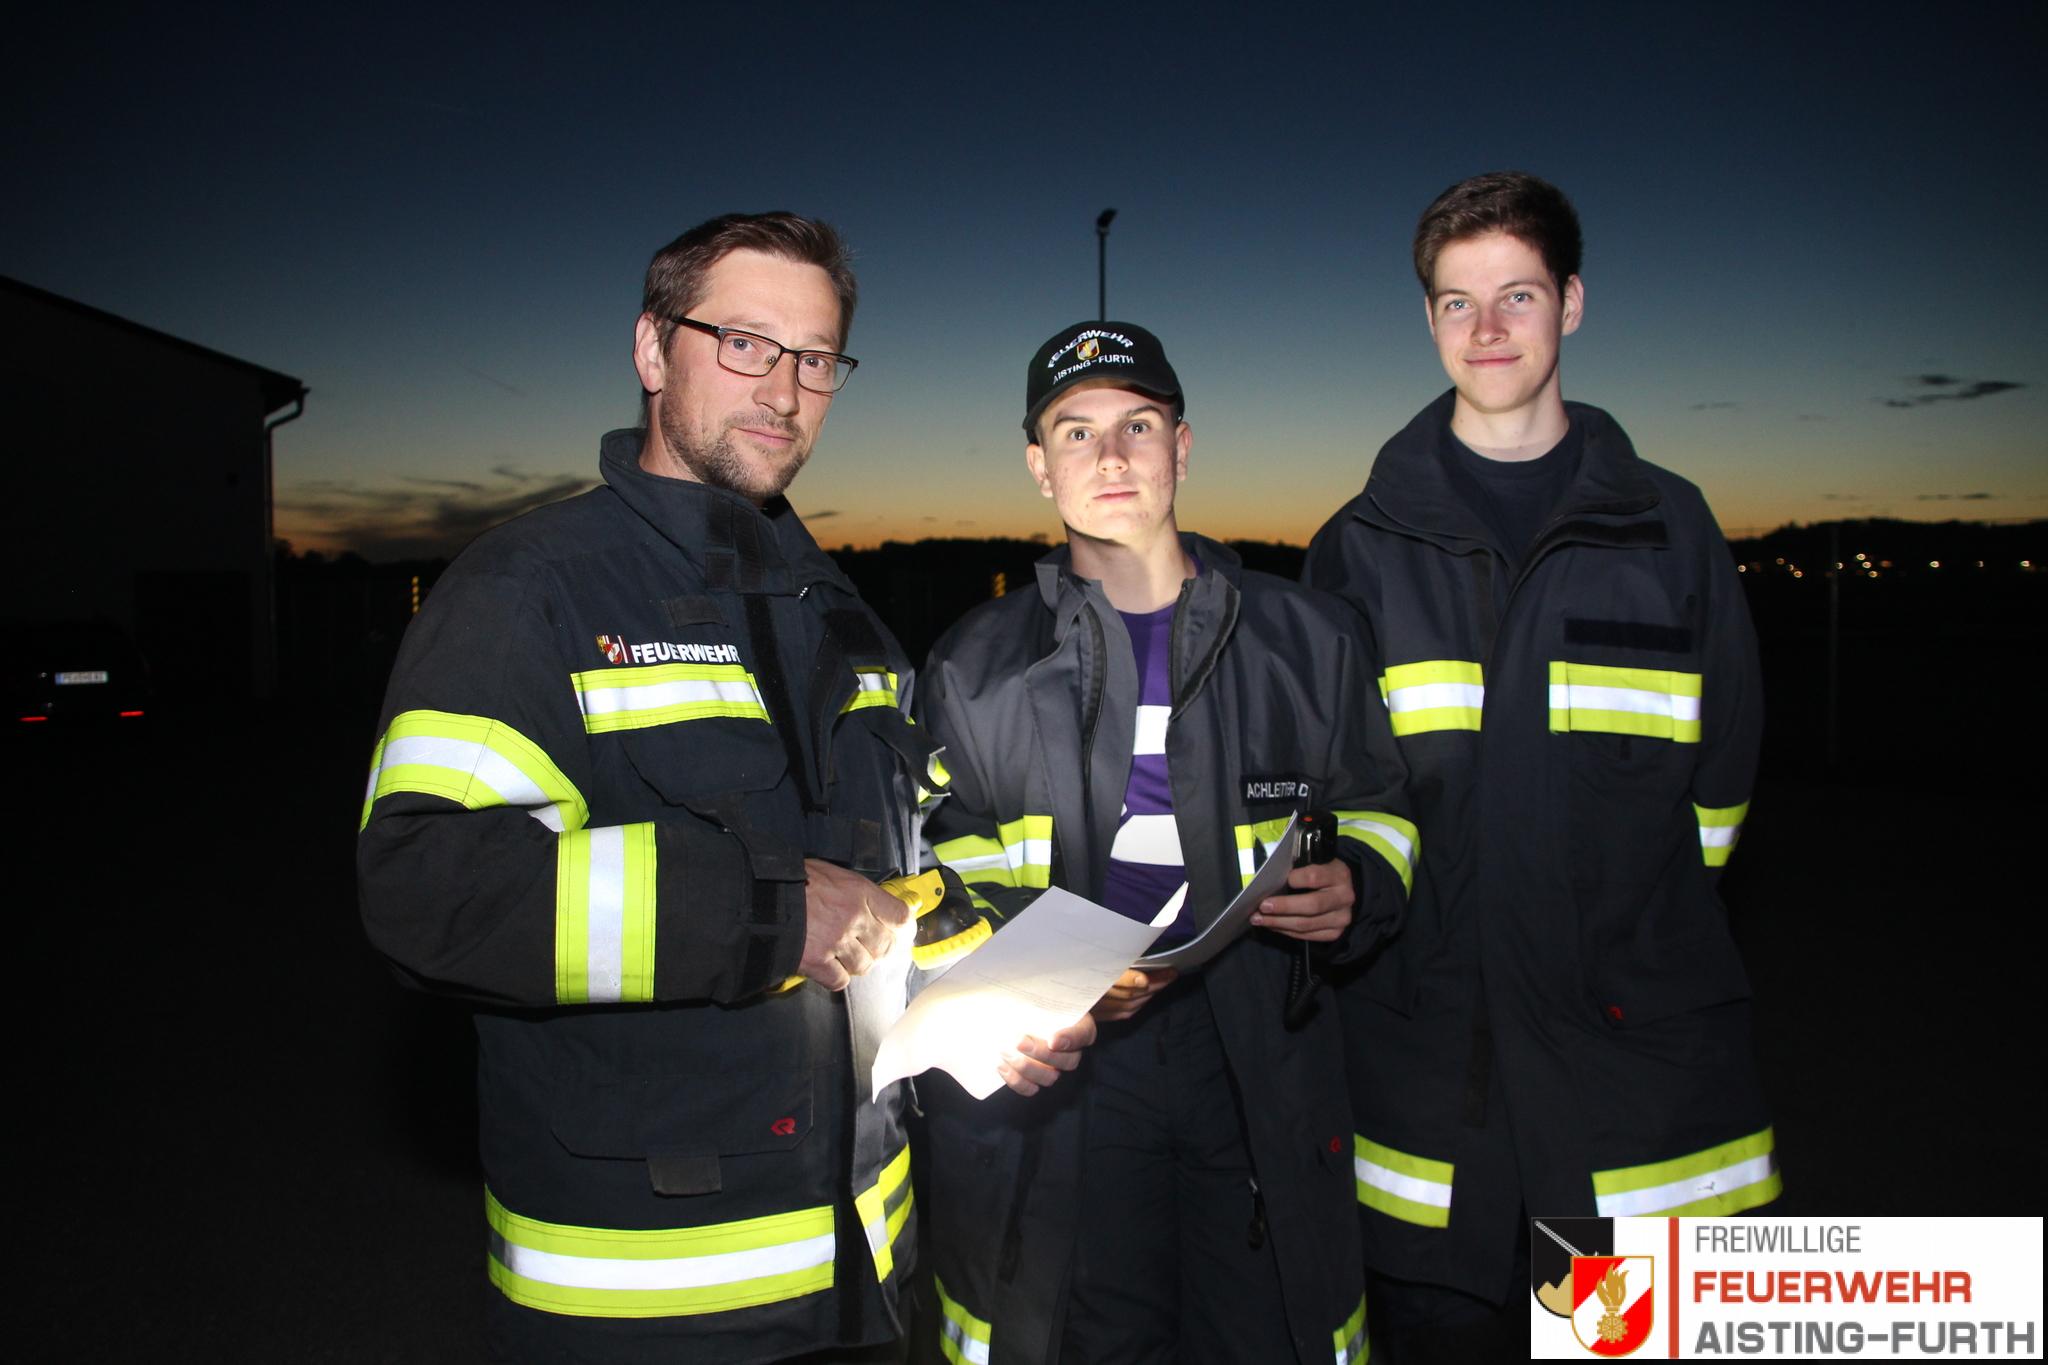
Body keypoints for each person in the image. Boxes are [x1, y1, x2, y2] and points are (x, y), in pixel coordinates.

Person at [357, 211, 1088, 1365]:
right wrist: (769, 914)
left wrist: (999, 996)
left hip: (862, 1282)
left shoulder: (845, 622)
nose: (783, 391)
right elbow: (429, 888)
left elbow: (903, 881)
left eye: (815, 359)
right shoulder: (529, 590)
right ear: (652, 351)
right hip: (643, 1302)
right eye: (744, 344)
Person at [1304, 171, 1774, 1362]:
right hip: (1425, 1083)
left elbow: (1719, 798)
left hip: (1634, 1082)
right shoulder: (1357, 551)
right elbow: (1338, 797)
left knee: (1614, 1341)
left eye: (1515, 294)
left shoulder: (1669, 532)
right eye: (1455, 302)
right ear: (1426, 320)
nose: (1486, 329)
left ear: (1569, 303)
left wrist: (1621, 939)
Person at [914, 321, 1417, 1364]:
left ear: (1181, 447)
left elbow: (1381, 805)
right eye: (1077, 431)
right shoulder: (971, 667)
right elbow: (944, 873)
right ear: (1038, 464)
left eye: (1137, 426)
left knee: (1261, 1328)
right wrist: (1028, 982)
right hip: (1075, 1072)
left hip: (1257, 1045)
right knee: (1098, 1333)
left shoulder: (1306, 638)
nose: (1110, 456)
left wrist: (1361, 881)